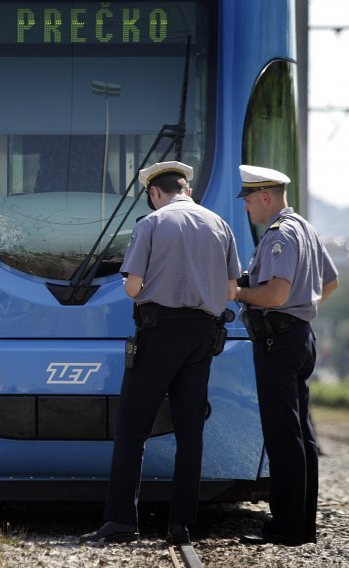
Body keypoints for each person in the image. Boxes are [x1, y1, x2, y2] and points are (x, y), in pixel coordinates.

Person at [89, 161, 241, 545]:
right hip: (203, 336)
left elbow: (133, 287)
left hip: (159, 334)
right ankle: (182, 526)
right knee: (190, 432)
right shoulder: (219, 225)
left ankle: (122, 521)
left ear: (156, 194)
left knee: (133, 427)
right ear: (187, 189)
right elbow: (231, 291)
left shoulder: (151, 225)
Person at [235, 165, 339, 546]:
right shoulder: (306, 229)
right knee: (302, 436)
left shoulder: (281, 234)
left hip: (279, 342)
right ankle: (300, 526)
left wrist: (237, 293)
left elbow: (276, 295)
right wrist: (303, 309)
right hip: (298, 338)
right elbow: (331, 283)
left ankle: (286, 528)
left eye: (248, 199)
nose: (246, 207)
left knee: (283, 436)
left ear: (265, 196)